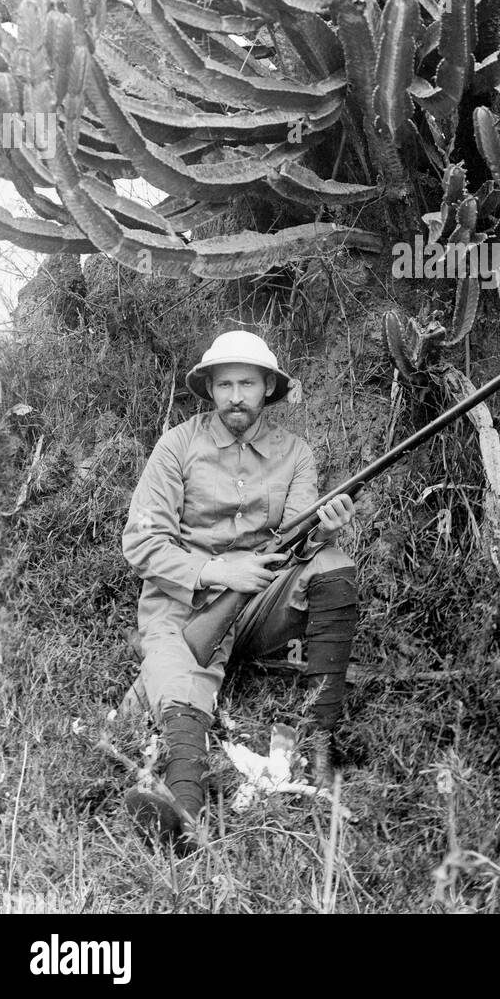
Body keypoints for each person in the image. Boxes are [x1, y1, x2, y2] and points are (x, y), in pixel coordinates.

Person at [120, 330, 358, 839]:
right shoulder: (177, 446)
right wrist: (218, 571)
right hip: (180, 601)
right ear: (209, 387)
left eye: (246, 383)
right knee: (180, 678)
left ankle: (318, 744)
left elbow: (301, 545)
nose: (234, 396)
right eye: (224, 383)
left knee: (334, 565)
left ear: (267, 386)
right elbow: (141, 543)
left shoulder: (296, 454)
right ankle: (184, 808)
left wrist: (325, 529)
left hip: (260, 603)